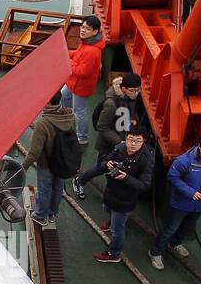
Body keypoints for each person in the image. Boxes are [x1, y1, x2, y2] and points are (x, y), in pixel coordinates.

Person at [75, 128, 153, 263]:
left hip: (125, 201)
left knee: (118, 231)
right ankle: (110, 223)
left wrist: (126, 177)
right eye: (130, 140)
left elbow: (144, 185)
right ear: (126, 139)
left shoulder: (146, 160)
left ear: (143, 142)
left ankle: (114, 253)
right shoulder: (120, 148)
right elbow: (105, 161)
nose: (133, 144)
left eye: (137, 141)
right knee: (107, 209)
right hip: (111, 192)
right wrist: (108, 164)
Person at [148, 135, 201, 269]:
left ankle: (176, 243)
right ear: (199, 145)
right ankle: (155, 252)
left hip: (200, 204)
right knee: (170, 229)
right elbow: (173, 177)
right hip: (181, 204)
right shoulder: (184, 161)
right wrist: (190, 192)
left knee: (187, 226)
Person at [74, 72, 146, 201]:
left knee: (114, 169)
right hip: (109, 145)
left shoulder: (130, 99)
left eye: (138, 90)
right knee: (101, 167)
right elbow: (102, 127)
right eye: (132, 90)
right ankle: (79, 181)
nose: (135, 93)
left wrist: (132, 120)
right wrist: (121, 142)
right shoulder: (111, 104)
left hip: (123, 143)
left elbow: (128, 113)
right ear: (123, 89)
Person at [22, 91, 80, 227]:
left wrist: (23, 167)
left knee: (44, 188)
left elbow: (34, 152)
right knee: (58, 187)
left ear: (47, 102)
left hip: (46, 163)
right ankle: (52, 213)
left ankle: (40, 215)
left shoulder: (43, 124)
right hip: (64, 161)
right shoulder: (71, 115)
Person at [62, 14, 105, 147]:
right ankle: (66, 119)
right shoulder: (87, 43)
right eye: (82, 27)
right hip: (73, 82)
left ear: (95, 31)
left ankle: (82, 137)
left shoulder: (92, 51)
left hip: (81, 86)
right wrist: (66, 52)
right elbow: (77, 55)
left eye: (87, 28)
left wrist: (67, 62)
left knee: (79, 111)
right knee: (64, 94)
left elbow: (83, 72)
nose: (82, 30)